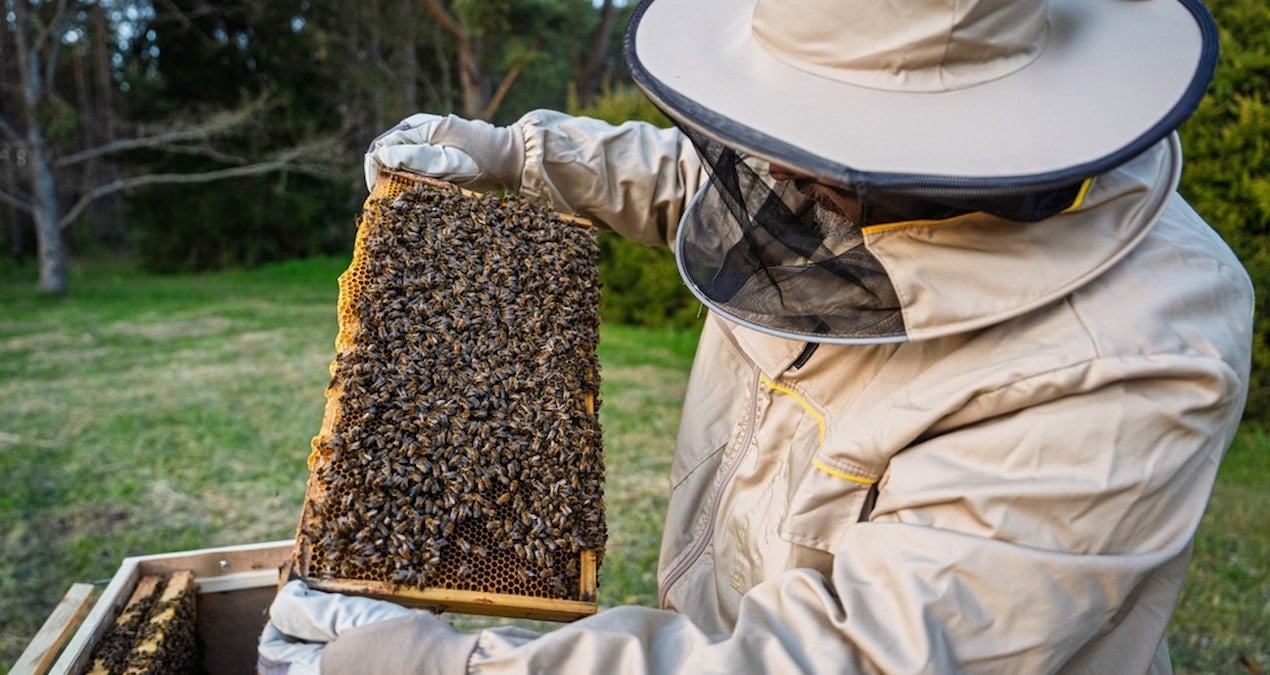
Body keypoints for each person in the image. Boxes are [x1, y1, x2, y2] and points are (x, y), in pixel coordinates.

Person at [259, 0, 1254, 671]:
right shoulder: (825, 181)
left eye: (812, 152)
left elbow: (867, 659)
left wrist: (450, 665)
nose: (774, 175)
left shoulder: (1136, 352)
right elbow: (716, 183)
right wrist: (528, 158)